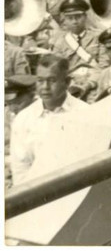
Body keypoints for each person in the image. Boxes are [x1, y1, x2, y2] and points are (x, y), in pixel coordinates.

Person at [10, 53, 89, 185]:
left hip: (77, 189)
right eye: (40, 80)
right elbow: (21, 170)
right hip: (38, 194)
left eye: (52, 80)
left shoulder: (85, 113)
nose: (45, 87)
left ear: (67, 82)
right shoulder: (24, 119)